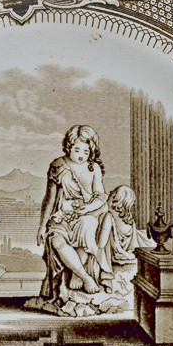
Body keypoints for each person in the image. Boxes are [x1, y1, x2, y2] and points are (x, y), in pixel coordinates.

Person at [36, 125, 107, 304]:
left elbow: (100, 196)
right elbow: (49, 199)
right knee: (56, 241)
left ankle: (77, 273)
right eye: (77, 150)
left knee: (87, 228)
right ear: (69, 147)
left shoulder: (93, 168)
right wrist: (42, 226)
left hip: (87, 213)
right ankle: (84, 276)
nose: (81, 155)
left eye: (86, 151)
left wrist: (87, 209)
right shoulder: (58, 166)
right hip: (62, 215)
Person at [90, 185, 155, 292]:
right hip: (127, 252)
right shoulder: (130, 221)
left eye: (110, 195)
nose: (107, 197)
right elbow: (132, 244)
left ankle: (106, 276)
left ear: (115, 200)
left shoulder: (108, 217)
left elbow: (101, 244)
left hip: (115, 255)